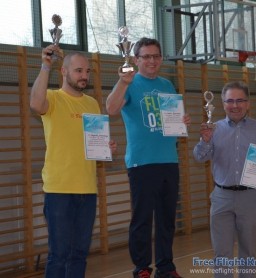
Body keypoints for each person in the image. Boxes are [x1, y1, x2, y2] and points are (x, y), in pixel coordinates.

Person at [106, 37, 190, 278]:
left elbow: (173, 121)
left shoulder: (167, 85)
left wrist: (181, 122)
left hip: (169, 160)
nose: (151, 61)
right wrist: (123, 82)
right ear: (136, 59)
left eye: (155, 56)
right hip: (141, 162)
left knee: (167, 219)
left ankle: (166, 266)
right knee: (142, 219)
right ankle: (142, 267)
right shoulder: (129, 83)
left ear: (161, 59)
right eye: (146, 56)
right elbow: (111, 109)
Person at [30, 45, 117, 278]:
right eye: (79, 71)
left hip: (87, 190)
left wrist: (105, 149)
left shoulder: (92, 104)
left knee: (79, 254)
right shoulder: (52, 98)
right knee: (59, 255)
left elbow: (93, 146)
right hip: (59, 190)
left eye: (87, 71)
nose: (84, 76)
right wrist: (45, 65)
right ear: (64, 72)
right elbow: (35, 105)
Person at [193, 81, 256, 277]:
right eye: (230, 101)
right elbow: (200, 157)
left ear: (248, 103)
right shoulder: (213, 129)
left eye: (240, 100)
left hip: (251, 197)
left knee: (248, 252)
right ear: (223, 104)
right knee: (221, 253)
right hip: (221, 197)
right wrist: (205, 141)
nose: (235, 105)